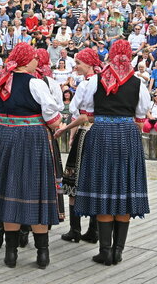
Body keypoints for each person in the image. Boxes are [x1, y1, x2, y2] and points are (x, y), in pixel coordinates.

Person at [0, 43, 63, 269]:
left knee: (9, 190)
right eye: (33, 58)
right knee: (36, 190)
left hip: (4, 137)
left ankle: (10, 254)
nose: (37, 62)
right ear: (25, 60)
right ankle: (42, 254)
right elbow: (53, 117)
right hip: (32, 138)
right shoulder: (36, 83)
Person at [74, 39, 151, 266]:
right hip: (127, 133)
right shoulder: (139, 83)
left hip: (101, 132)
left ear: (110, 55)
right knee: (124, 188)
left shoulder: (95, 81)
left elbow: (84, 111)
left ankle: (105, 251)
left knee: (102, 185)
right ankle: (118, 251)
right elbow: (141, 116)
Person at [55, 48, 103, 245]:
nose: (76, 66)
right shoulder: (102, 81)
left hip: (86, 132)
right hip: (100, 133)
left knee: (74, 180)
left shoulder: (87, 84)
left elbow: (81, 115)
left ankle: (75, 230)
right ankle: (94, 230)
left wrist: (67, 131)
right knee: (94, 180)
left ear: (89, 64)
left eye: (79, 63)